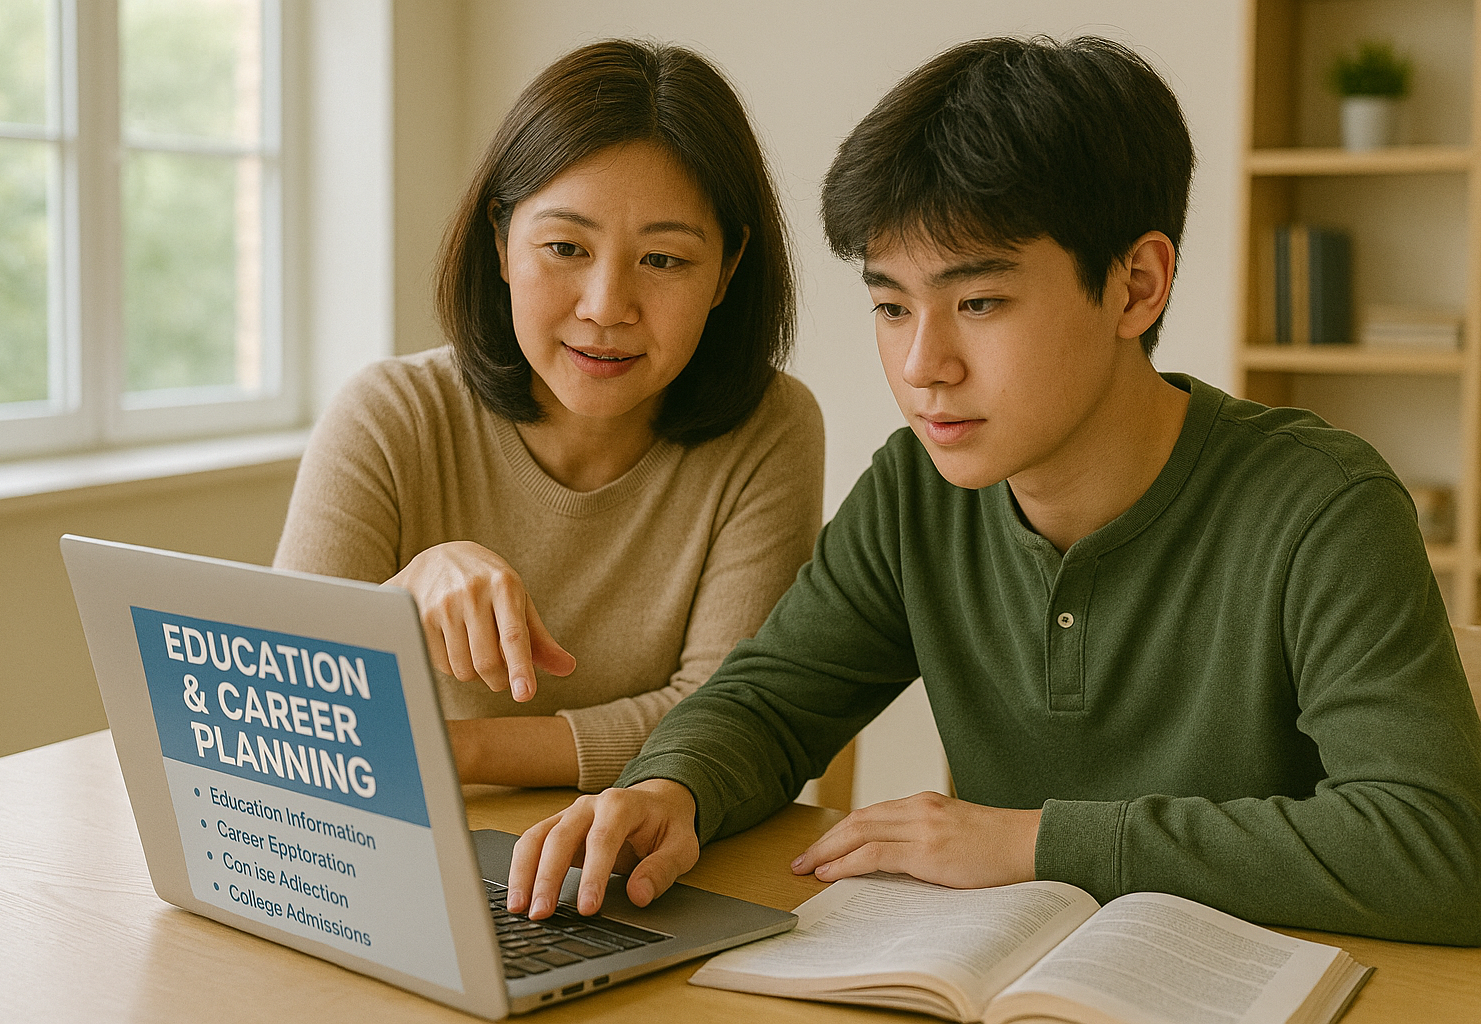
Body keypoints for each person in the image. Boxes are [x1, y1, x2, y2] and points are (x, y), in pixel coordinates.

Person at [505, 36, 1481, 945]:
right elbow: (770, 701)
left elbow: (1437, 847)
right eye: (891, 305)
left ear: (1136, 286)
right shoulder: (915, 493)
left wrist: (1032, 842)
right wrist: (667, 789)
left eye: (979, 302)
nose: (924, 363)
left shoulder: (1321, 505)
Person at [274, 40, 824, 793]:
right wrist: (401, 595)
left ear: (727, 270)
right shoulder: (389, 415)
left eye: (663, 261)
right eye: (565, 246)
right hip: (413, 848)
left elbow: (720, 717)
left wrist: (459, 751)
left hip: (647, 862)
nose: (605, 308)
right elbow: (282, 713)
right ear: (501, 243)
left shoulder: (769, 427)